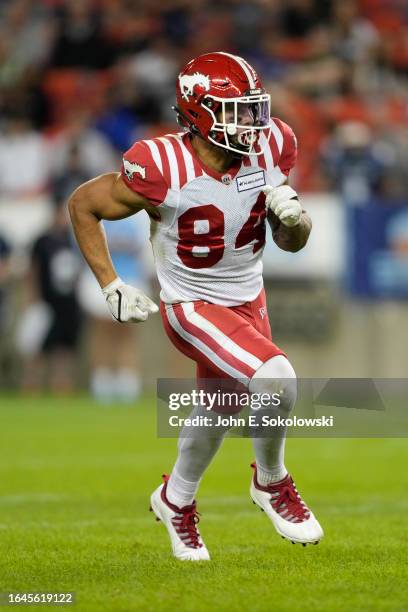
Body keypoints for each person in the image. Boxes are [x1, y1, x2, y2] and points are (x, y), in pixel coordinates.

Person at [68, 51, 323, 561]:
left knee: (218, 407)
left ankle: (175, 500)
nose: (252, 124)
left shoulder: (274, 144)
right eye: (237, 112)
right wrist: (110, 283)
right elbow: (83, 204)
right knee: (276, 377)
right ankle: (271, 482)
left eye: (255, 109)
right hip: (190, 303)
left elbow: (292, 242)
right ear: (200, 113)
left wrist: (294, 220)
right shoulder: (161, 163)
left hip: (249, 296)